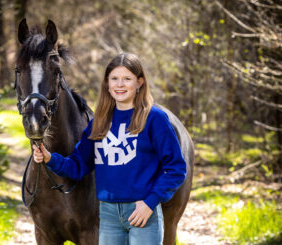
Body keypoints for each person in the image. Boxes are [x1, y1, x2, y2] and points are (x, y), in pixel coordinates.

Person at [33, 53, 187, 245]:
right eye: (114, 78)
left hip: (142, 211)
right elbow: (78, 165)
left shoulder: (154, 118)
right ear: (107, 83)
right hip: (107, 214)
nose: (119, 85)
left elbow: (176, 168)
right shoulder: (100, 121)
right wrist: (49, 158)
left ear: (139, 83)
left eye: (127, 79)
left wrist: (150, 202)